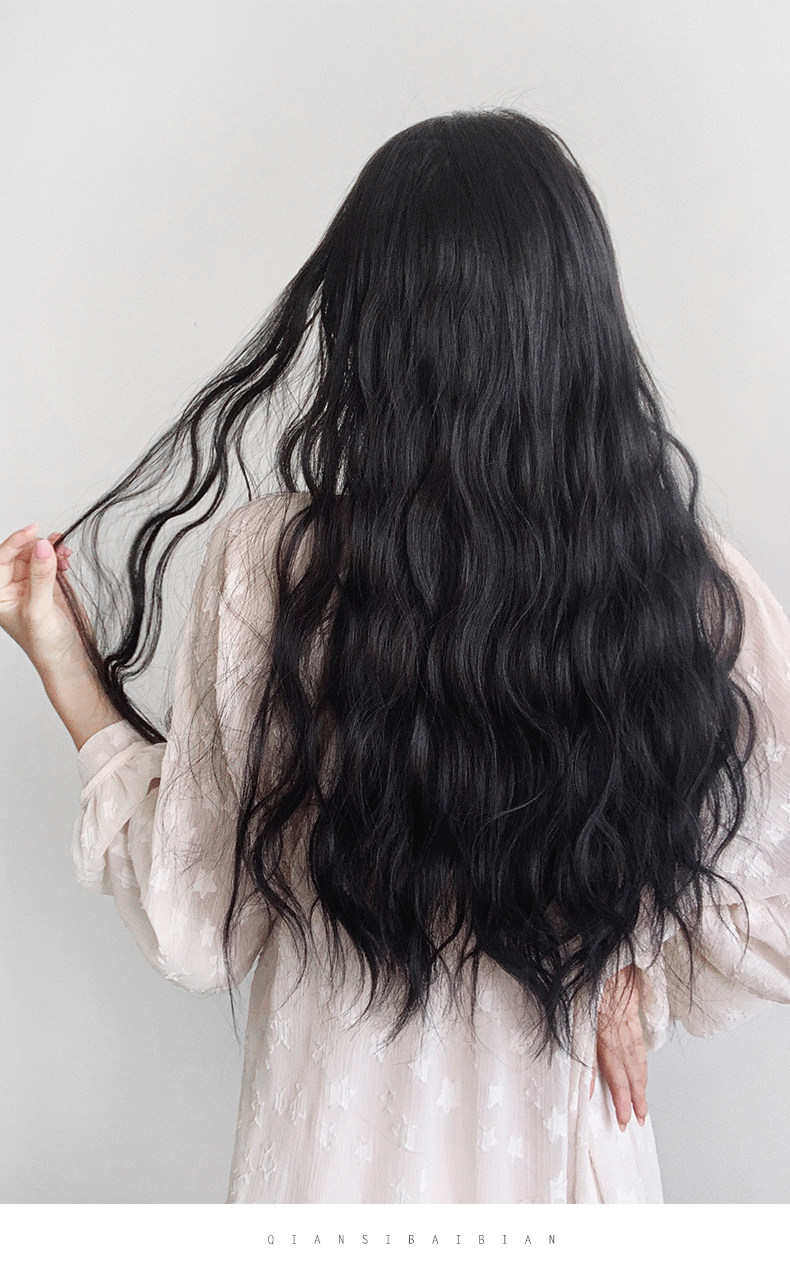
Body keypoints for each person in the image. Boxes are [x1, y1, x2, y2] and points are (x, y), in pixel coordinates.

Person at [3, 108, 790, 1204]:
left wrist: (67, 671)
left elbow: (192, 928)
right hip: (572, 1186)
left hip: (330, 1182)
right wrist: (631, 954)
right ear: (579, 324)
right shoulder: (687, 592)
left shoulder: (275, 572)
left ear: (369, 329)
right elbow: (763, 919)